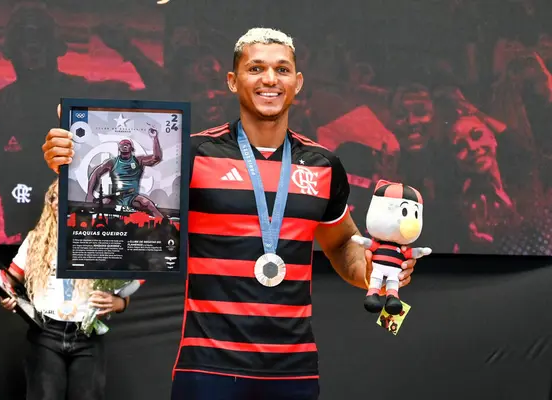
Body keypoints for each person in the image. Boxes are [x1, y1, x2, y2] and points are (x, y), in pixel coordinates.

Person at [42, 27, 420, 400]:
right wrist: (69, 160)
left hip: (294, 368)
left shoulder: (324, 165)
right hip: (207, 368)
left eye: (282, 69)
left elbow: (340, 247)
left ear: (298, 82)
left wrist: (374, 270)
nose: (270, 79)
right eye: (255, 68)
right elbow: (123, 206)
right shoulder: (193, 154)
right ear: (232, 81)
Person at [0, 178, 142, 400]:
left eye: (63, 196)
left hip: (86, 335)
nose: (57, 202)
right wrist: (6, 295)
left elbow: (123, 292)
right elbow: (10, 279)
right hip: (45, 333)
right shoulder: (36, 241)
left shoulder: (100, 238)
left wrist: (118, 303)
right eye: (53, 198)